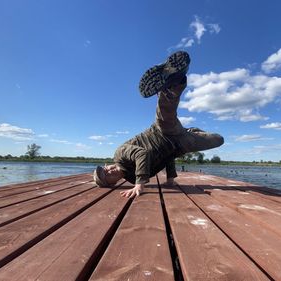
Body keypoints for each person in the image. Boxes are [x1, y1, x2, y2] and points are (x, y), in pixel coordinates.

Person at [93, 51, 224, 198]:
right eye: (107, 175)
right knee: (218, 140)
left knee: (166, 109)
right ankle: (190, 131)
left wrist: (139, 184)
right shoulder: (130, 177)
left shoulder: (119, 154)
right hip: (178, 145)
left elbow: (142, 153)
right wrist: (170, 179)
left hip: (162, 132)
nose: (109, 171)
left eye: (106, 169)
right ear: (113, 183)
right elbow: (165, 158)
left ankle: (172, 82)